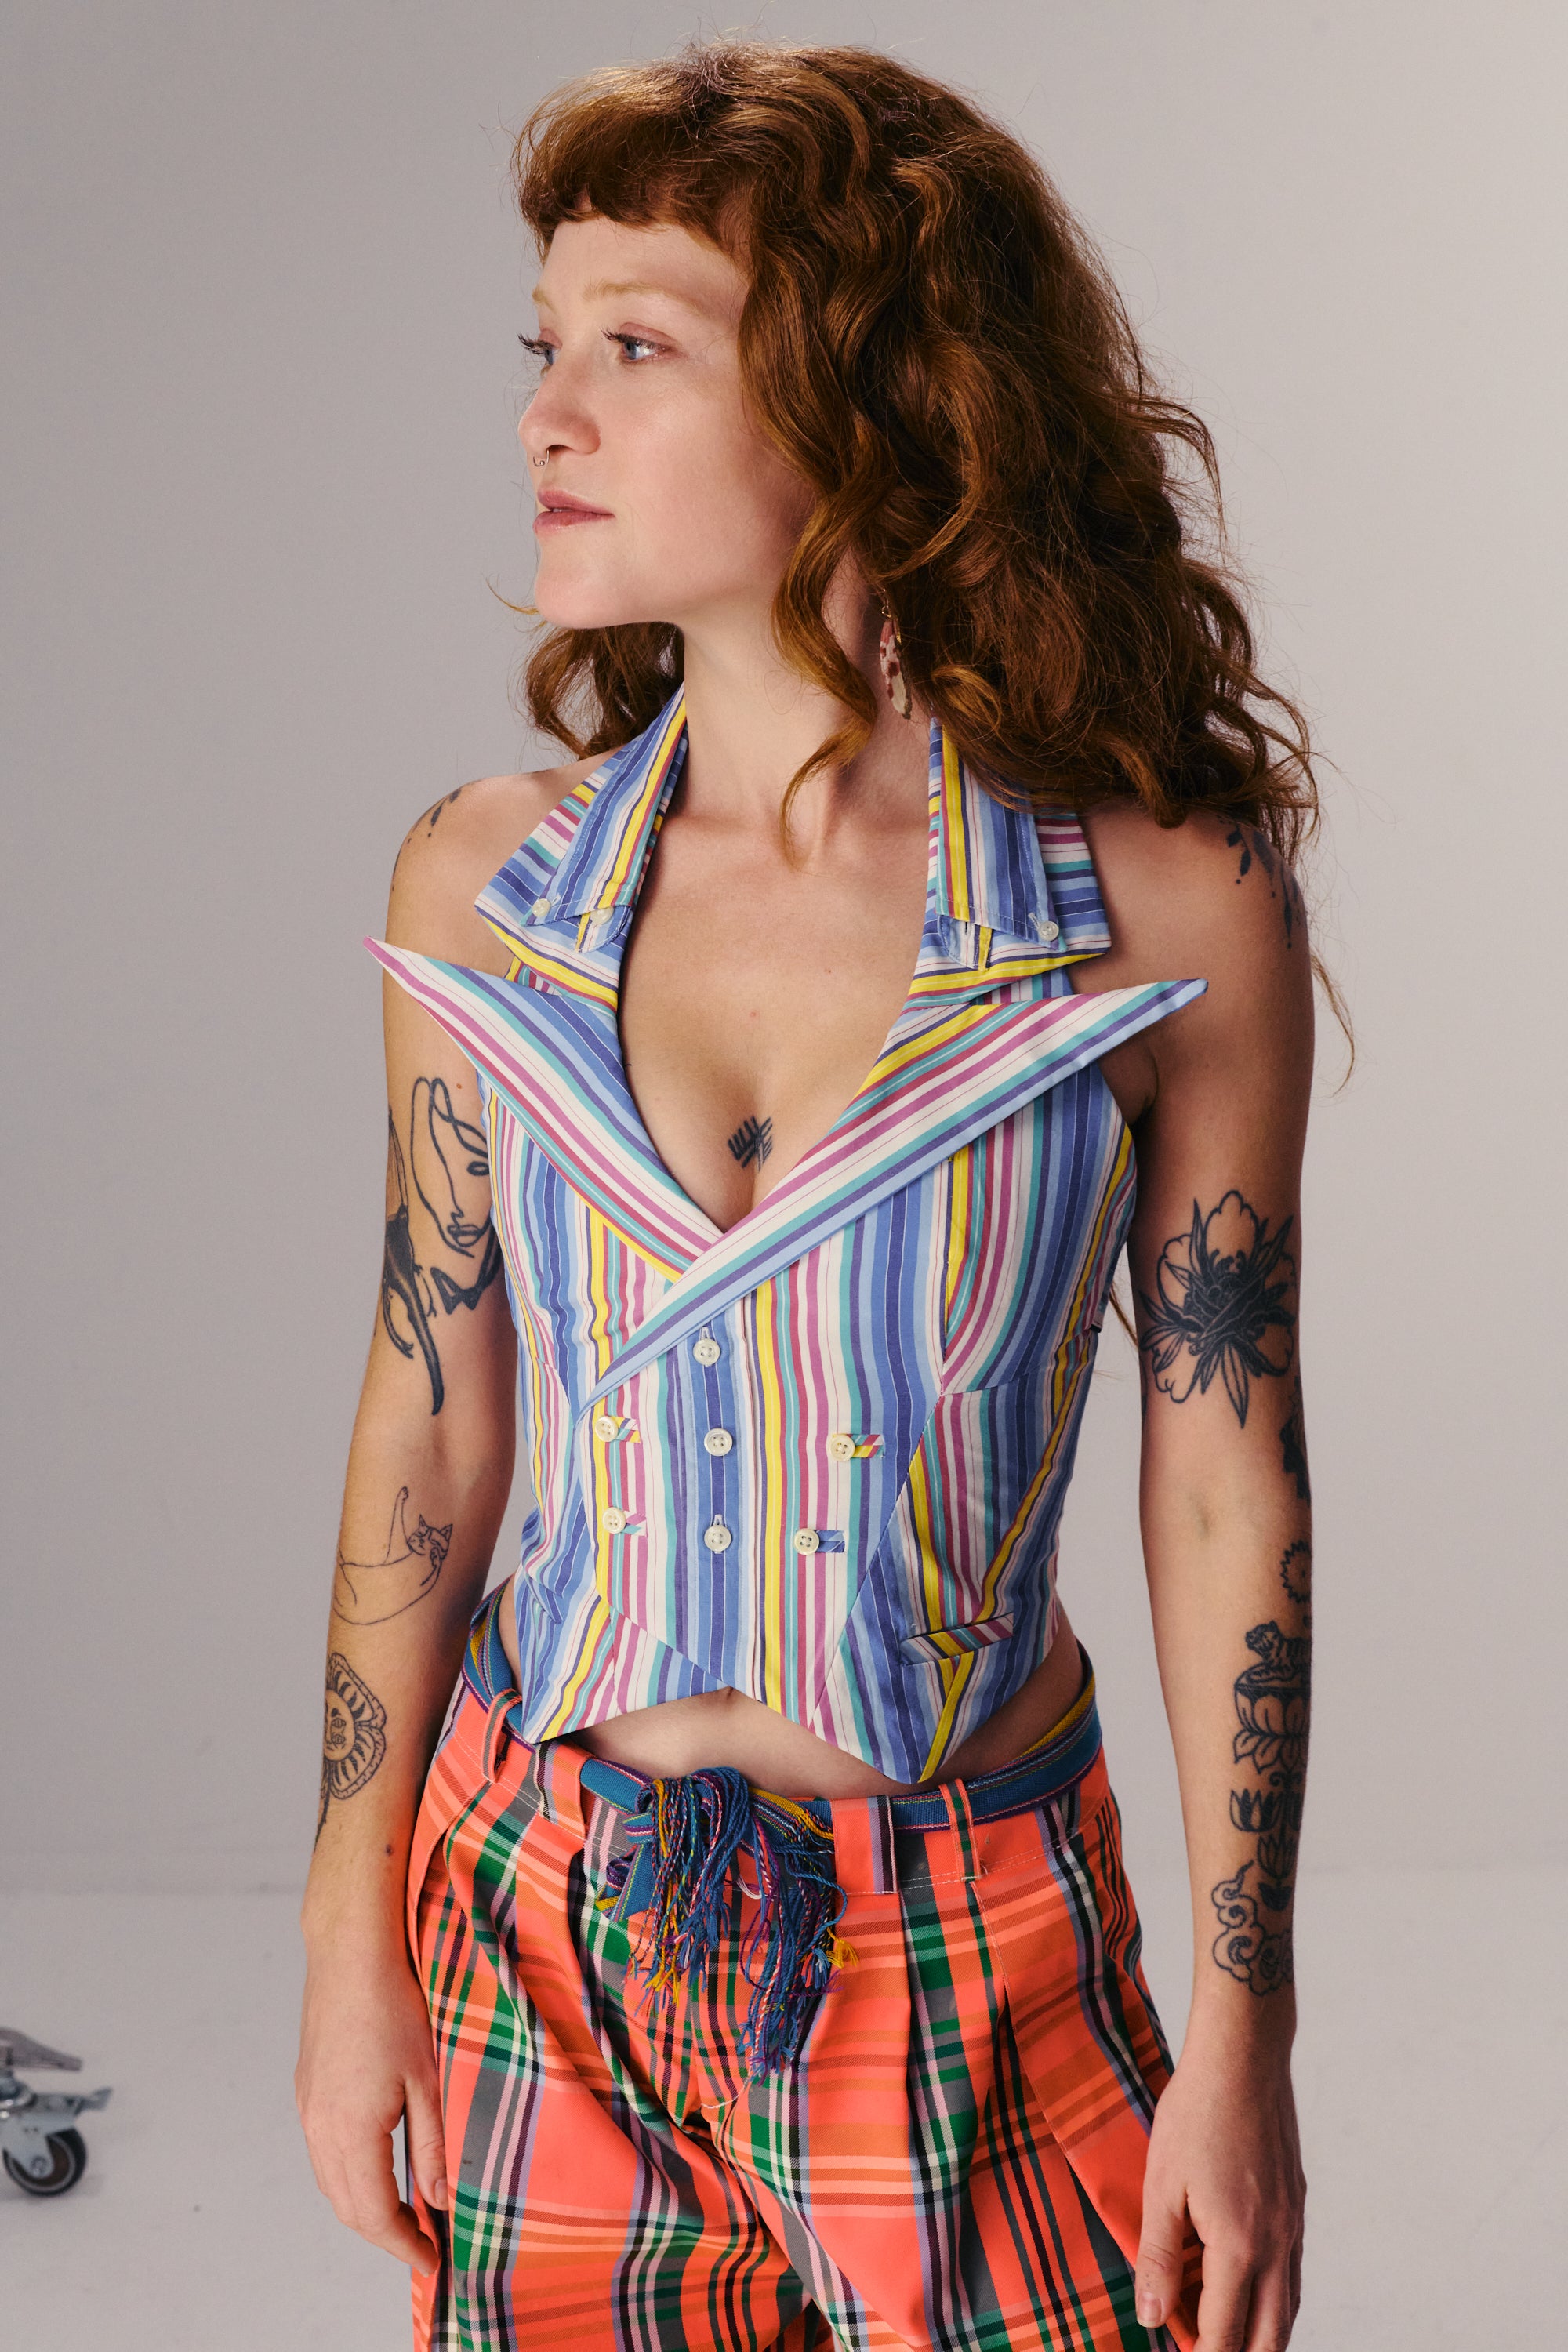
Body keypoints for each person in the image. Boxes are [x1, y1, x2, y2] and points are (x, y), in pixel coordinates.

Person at [296, 42, 1321, 2352]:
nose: (548, 414)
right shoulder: (488, 889)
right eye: (545, 345)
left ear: (870, 396)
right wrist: (350, 1944)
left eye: (637, 347)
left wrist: (1243, 2039)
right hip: (537, 1919)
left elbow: (1224, 1479)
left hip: (968, 1946)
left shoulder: (1158, 910)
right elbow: (431, 1429)